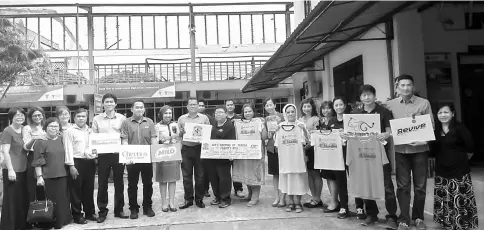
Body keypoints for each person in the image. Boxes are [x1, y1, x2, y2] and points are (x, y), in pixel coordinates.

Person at [386, 74, 434, 230]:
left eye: (409, 85)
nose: (406, 88)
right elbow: (385, 125)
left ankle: (418, 218)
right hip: (401, 151)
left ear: (413, 86)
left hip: (420, 150)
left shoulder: (423, 103)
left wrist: (424, 140)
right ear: (397, 87)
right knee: (403, 186)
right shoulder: (390, 105)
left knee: (420, 186)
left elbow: (431, 126)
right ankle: (404, 219)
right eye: (402, 85)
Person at [350, 85, 398, 228]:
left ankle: (392, 216)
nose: (367, 97)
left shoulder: (384, 112)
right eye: (364, 95)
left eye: (369, 94)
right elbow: (351, 133)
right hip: (362, 155)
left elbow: (390, 131)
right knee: (367, 185)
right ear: (360, 98)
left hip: (381, 154)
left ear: (374, 96)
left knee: (387, 186)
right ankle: (371, 214)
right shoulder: (356, 114)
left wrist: (386, 134)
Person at [431, 103, 478, 230]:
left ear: (453, 113)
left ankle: (461, 222)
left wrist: (463, 159)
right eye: (440, 112)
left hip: (459, 169)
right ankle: (446, 222)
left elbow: (470, 146)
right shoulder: (435, 129)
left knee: (459, 196)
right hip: (442, 169)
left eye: (446, 112)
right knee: (444, 196)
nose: (443, 115)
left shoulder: (460, 128)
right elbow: (432, 150)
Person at [93, 93, 129, 223]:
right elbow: (94, 137)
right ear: (103, 104)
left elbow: (124, 136)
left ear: (115, 104)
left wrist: (125, 152)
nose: (109, 104)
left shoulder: (122, 118)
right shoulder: (96, 119)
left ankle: (119, 209)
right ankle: (102, 211)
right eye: (106, 102)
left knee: (119, 183)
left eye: (111, 102)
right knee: (102, 184)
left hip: (117, 154)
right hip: (103, 156)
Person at [33, 117, 72, 229]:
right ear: (45, 128)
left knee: (62, 199)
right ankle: (49, 222)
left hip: (62, 174)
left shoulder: (61, 139)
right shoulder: (40, 142)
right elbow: (37, 160)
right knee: (50, 201)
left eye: (56, 126)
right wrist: (39, 176)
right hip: (47, 175)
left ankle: (62, 220)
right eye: (51, 126)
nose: (53, 128)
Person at [120, 99, 157, 219]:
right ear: (132, 109)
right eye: (137, 107)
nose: (139, 109)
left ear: (144, 109)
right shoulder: (126, 122)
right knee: (132, 185)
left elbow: (153, 139)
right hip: (132, 159)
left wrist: (155, 153)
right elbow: (124, 140)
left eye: (141, 107)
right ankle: (133, 208)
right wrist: (127, 156)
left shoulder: (150, 122)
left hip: (147, 158)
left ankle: (147, 206)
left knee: (148, 183)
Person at [64, 108, 98, 224]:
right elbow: (67, 149)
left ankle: (89, 212)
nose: (81, 118)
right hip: (76, 162)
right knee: (75, 190)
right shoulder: (69, 131)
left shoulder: (90, 130)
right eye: (79, 116)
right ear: (74, 118)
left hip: (89, 162)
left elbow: (94, 145)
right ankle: (77, 215)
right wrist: (71, 165)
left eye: (83, 116)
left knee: (88, 189)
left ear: (86, 118)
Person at [275, 104, 309, 213]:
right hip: (286, 159)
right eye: (288, 112)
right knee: (287, 181)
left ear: (296, 112)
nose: (290, 114)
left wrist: (303, 130)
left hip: (297, 158)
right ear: (285, 113)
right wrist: (275, 131)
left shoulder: (300, 125)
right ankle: (290, 202)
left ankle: (298, 203)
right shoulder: (280, 127)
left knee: (298, 181)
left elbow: (307, 141)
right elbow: (276, 143)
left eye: (292, 111)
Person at [178, 98, 211, 209]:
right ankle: (188, 199)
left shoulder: (204, 118)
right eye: (190, 104)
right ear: (187, 106)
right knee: (186, 176)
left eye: (194, 104)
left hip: (200, 149)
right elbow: (178, 136)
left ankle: (199, 199)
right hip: (186, 149)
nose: (192, 106)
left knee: (200, 176)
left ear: (198, 106)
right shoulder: (182, 119)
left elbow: (209, 134)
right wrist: (181, 133)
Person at [233, 104, 267, 207]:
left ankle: (255, 198)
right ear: (243, 113)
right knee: (246, 174)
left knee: (255, 175)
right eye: (246, 112)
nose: (248, 113)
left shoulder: (258, 122)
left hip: (255, 153)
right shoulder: (237, 123)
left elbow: (264, 137)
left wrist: (264, 125)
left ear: (253, 112)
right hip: (243, 153)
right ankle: (250, 194)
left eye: (250, 111)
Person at [0, 108, 29, 230]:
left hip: (24, 169)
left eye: (22, 115)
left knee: (21, 198)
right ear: (11, 117)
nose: (20, 117)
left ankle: (21, 225)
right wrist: (10, 170)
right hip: (12, 170)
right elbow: (5, 152)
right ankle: (9, 226)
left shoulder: (24, 129)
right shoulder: (7, 131)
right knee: (11, 200)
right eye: (17, 115)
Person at [324, 97, 349, 218]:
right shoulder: (331, 121)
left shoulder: (350, 119)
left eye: (341, 104)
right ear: (334, 107)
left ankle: (360, 207)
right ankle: (344, 207)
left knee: (354, 181)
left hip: (351, 153)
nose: (339, 107)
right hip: (337, 156)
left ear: (345, 105)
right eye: (336, 105)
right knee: (341, 182)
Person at [206, 106, 236, 208]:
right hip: (212, 157)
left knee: (224, 178)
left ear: (226, 114)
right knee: (214, 178)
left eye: (221, 112)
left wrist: (231, 154)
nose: (218, 114)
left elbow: (232, 141)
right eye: (216, 112)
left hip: (224, 158)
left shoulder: (230, 126)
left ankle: (225, 198)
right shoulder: (212, 125)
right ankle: (217, 197)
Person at [155, 105, 181, 213]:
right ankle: (164, 203)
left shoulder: (175, 125)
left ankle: (171, 202)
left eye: (170, 113)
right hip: (162, 154)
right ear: (161, 114)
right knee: (162, 180)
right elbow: (155, 141)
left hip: (173, 154)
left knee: (172, 179)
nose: (168, 115)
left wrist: (180, 154)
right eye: (166, 113)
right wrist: (162, 141)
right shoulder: (157, 126)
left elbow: (178, 138)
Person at [299, 98, 323, 209]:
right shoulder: (299, 119)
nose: (306, 108)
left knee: (316, 174)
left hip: (313, 149)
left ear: (312, 107)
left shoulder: (316, 119)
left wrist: (305, 148)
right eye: (304, 106)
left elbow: (315, 137)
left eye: (308, 106)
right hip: (303, 150)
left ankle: (318, 198)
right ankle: (313, 197)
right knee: (309, 174)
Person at [263, 98, 286, 207]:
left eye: (270, 105)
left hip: (283, 148)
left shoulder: (283, 116)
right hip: (272, 148)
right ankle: (277, 197)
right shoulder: (266, 119)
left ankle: (283, 198)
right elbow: (266, 136)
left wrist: (279, 123)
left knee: (283, 174)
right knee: (275, 174)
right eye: (267, 106)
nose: (269, 107)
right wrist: (268, 135)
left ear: (275, 105)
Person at [22, 106, 47, 203]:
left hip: (46, 157)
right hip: (33, 157)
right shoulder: (27, 128)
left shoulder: (46, 126)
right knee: (34, 186)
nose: (37, 117)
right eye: (34, 115)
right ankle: (34, 213)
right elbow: (26, 147)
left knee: (46, 185)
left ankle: (48, 212)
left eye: (39, 115)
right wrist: (35, 138)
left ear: (43, 115)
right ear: (30, 117)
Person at [225, 99, 245, 198]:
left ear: (234, 106)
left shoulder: (239, 118)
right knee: (225, 170)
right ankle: (226, 191)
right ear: (226, 106)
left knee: (237, 169)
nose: (230, 106)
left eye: (231, 104)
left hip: (237, 147)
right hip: (225, 148)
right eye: (228, 105)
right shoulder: (222, 117)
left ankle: (238, 189)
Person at [198, 99, 215, 198]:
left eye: (202, 105)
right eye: (199, 105)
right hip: (195, 147)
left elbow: (211, 130)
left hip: (205, 146)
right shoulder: (190, 118)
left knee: (206, 170)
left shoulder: (208, 118)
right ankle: (199, 189)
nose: (201, 107)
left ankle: (205, 189)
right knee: (198, 171)